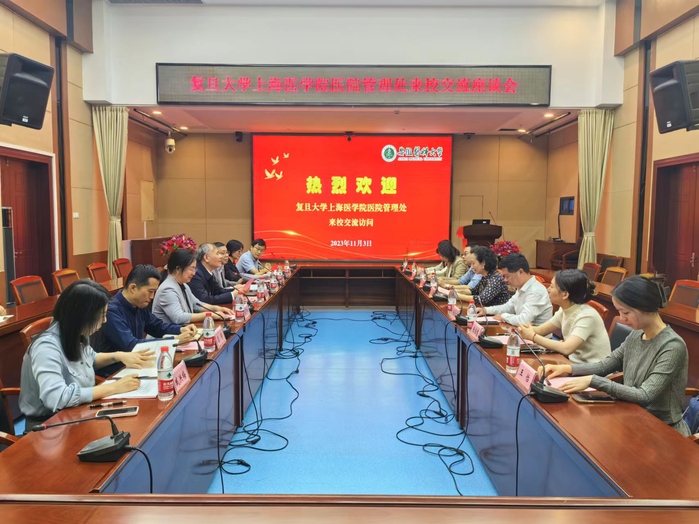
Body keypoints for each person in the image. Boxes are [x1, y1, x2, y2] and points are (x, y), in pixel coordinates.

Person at [541, 276, 691, 436]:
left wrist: (593, 381)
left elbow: (645, 395)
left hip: (663, 430)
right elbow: (606, 365)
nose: (622, 318)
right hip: (632, 416)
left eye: (626, 312)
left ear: (645, 307)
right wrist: (568, 369)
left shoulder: (672, 346)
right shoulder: (636, 334)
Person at [19, 280, 153, 432]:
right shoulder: (46, 348)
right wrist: (113, 387)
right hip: (49, 426)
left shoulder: (75, 333)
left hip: (79, 412)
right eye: (102, 315)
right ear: (82, 316)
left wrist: (119, 356)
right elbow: (57, 397)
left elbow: (90, 358)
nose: (104, 321)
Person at [97, 264, 197, 376]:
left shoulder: (139, 305)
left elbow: (157, 327)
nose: (152, 296)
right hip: (115, 373)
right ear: (133, 288)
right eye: (150, 291)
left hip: (136, 366)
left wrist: (181, 329)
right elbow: (131, 345)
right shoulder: (112, 311)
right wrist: (174, 340)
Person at [517, 269, 610, 364]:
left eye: (551, 286)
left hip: (592, 369)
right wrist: (524, 329)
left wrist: (532, 336)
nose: (548, 289)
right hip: (573, 363)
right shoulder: (565, 309)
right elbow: (541, 330)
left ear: (565, 294)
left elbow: (566, 348)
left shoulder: (587, 316)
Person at [153, 249, 234, 324]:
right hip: (168, 334)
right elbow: (178, 318)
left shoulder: (184, 285)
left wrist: (217, 309)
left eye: (195, 269)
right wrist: (210, 315)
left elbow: (196, 304)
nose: (194, 273)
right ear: (178, 269)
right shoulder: (167, 289)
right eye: (191, 269)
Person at [478, 253, 552, 327]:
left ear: (520, 272)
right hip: (522, 331)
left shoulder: (535, 291)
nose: (505, 280)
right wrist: (485, 310)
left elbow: (524, 320)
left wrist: (504, 316)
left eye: (507, 276)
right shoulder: (522, 287)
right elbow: (508, 307)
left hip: (536, 333)